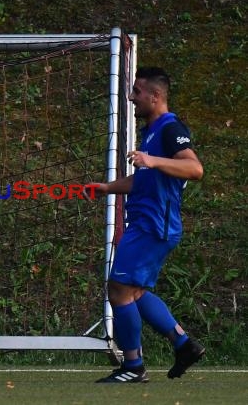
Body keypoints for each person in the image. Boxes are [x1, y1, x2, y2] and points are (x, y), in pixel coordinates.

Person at [85, 67, 205, 383]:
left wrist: (153, 160)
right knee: (133, 292)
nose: (132, 97)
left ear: (154, 96)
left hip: (155, 226)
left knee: (118, 291)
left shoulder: (169, 128)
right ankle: (183, 345)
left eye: (137, 92)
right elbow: (145, 179)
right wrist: (108, 188)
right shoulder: (151, 131)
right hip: (146, 223)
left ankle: (133, 367)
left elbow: (194, 168)